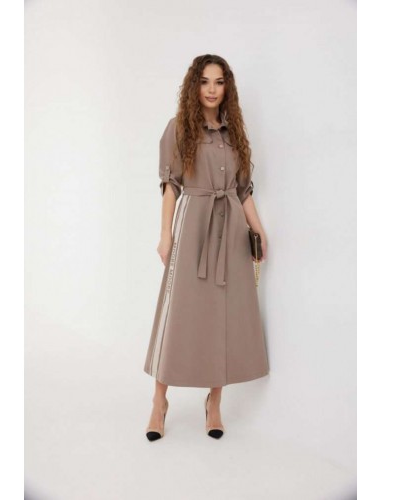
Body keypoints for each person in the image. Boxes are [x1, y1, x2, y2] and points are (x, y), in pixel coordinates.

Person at [144, 54, 270, 441]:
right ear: (193, 87)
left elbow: (242, 191)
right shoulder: (179, 128)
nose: (212, 89)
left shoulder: (235, 133)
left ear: (227, 87)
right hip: (194, 226)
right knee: (178, 313)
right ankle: (159, 402)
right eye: (204, 81)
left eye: (218, 82)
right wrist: (165, 234)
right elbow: (171, 185)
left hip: (230, 230)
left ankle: (214, 403)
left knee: (224, 317)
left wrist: (258, 230)